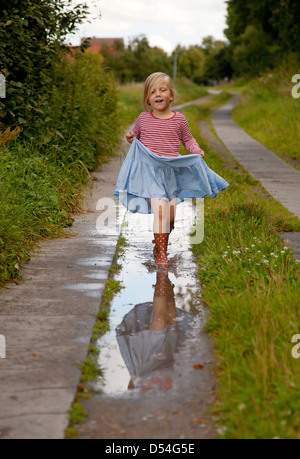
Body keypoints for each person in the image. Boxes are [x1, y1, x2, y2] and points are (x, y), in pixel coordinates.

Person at [115, 72, 229, 268]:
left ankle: (160, 243)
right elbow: (136, 137)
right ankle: (162, 254)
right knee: (160, 211)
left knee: (170, 216)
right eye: (152, 92)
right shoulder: (143, 118)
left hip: (171, 171)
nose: (157, 94)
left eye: (162, 90)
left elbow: (188, 140)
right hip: (150, 171)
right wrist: (130, 137)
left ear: (171, 95)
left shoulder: (179, 119)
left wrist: (196, 150)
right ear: (147, 99)